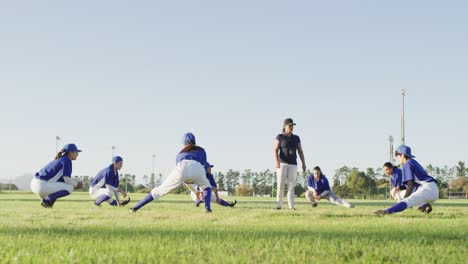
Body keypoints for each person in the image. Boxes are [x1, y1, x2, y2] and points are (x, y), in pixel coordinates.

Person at [130, 132, 214, 213]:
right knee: (207, 187)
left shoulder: (180, 154)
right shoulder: (202, 151)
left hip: (182, 167)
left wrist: (195, 191)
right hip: (197, 167)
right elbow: (204, 166)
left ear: (184, 143)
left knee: (160, 190)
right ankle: (208, 208)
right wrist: (198, 188)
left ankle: (135, 208)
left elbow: (184, 175)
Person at [375, 145, 439, 215]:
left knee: (406, 200)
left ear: (402, 155)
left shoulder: (407, 164)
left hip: (427, 189)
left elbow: (410, 185)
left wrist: (405, 199)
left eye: (398, 156)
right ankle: (424, 206)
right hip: (431, 188)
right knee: (411, 199)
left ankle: (385, 212)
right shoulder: (413, 162)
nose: (397, 159)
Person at [30, 143, 83, 208]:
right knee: (70, 187)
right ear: (70, 152)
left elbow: (62, 180)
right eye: (76, 152)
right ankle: (47, 201)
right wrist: (76, 184)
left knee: (65, 185)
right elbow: (67, 180)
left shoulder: (62, 159)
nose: (77, 154)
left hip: (36, 184)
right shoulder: (66, 160)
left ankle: (48, 204)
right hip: (41, 185)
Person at [274, 118, 306, 210]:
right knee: (280, 185)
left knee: (291, 186)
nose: (292, 127)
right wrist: (277, 162)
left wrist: (303, 163)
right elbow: (275, 150)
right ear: (285, 126)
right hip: (282, 164)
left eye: (293, 126)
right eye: (290, 125)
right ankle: (279, 205)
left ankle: (291, 206)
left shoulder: (296, 138)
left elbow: (300, 151)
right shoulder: (279, 136)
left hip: (293, 164)